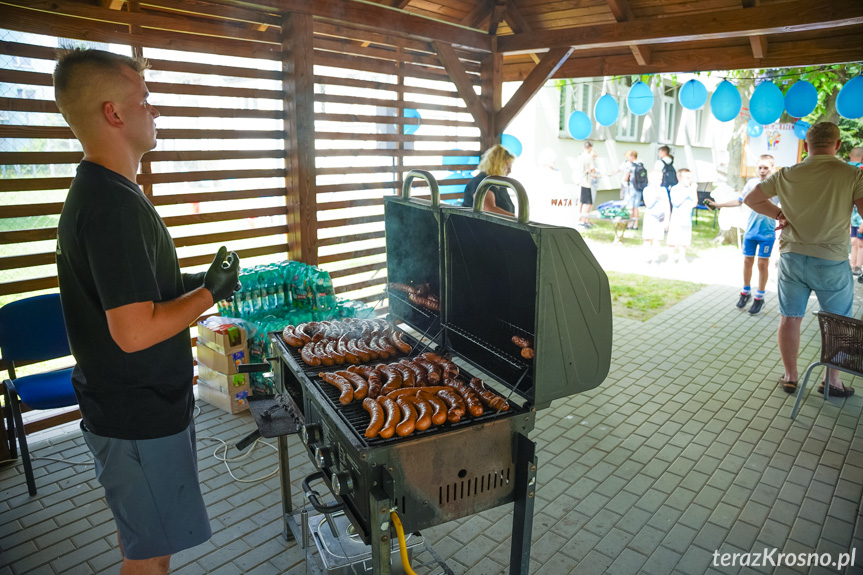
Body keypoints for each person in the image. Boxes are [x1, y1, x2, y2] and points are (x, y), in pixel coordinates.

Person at [53, 48, 241, 575]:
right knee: (150, 557)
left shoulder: (108, 190)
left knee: (143, 538)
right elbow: (134, 332)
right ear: (114, 113)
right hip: (137, 414)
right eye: (146, 100)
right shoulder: (111, 206)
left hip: (135, 408)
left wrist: (199, 283)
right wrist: (209, 296)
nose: (154, 112)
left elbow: (137, 292)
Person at [744, 122, 863, 398]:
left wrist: (778, 215)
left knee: (789, 318)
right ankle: (831, 382)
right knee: (838, 324)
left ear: (806, 146)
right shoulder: (851, 174)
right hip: (831, 259)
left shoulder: (786, 174)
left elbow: (752, 199)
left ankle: (790, 376)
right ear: (837, 145)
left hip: (792, 256)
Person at [705, 155, 777, 315]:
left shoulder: (777, 186)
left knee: (762, 264)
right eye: (760, 167)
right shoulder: (751, 184)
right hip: (751, 230)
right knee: (747, 261)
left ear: (772, 168)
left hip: (767, 232)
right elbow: (739, 201)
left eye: (766, 168)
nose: (763, 171)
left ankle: (760, 296)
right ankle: (745, 292)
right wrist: (718, 205)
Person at [463, 144, 515, 216]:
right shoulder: (481, 181)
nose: (510, 171)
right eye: (507, 167)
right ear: (497, 165)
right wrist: (516, 219)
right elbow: (488, 209)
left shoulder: (498, 183)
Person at [665, 168, 697, 263]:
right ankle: (670, 258)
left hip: (687, 219)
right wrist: (688, 191)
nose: (689, 180)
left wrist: (693, 191)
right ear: (679, 177)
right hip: (677, 219)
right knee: (673, 240)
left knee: (685, 240)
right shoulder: (675, 189)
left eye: (690, 178)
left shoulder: (690, 189)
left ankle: (682, 257)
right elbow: (676, 202)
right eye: (687, 177)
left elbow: (694, 203)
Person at [641, 170, 670, 263]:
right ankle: (647, 257)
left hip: (660, 217)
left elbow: (667, 205)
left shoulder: (663, 190)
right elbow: (648, 204)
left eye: (660, 179)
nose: (659, 181)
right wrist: (655, 196)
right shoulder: (647, 189)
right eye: (656, 179)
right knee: (648, 238)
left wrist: (667, 219)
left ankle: (655, 257)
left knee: (658, 239)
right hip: (650, 216)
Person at [848, 147, 863, 276]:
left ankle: (856, 266)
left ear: (849, 155)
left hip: (854, 214)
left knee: (858, 242)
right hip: (855, 215)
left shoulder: (843, 168)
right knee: (855, 242)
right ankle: (854, 265)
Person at [576, 140, 596, 228]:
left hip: (579, 182)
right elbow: (592, 169)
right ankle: (583, 220)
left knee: (580, 202)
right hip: (586, 183)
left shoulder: (580, 156)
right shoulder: (588, 157)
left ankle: (579, 219)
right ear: (591, 148)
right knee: (589, 203)